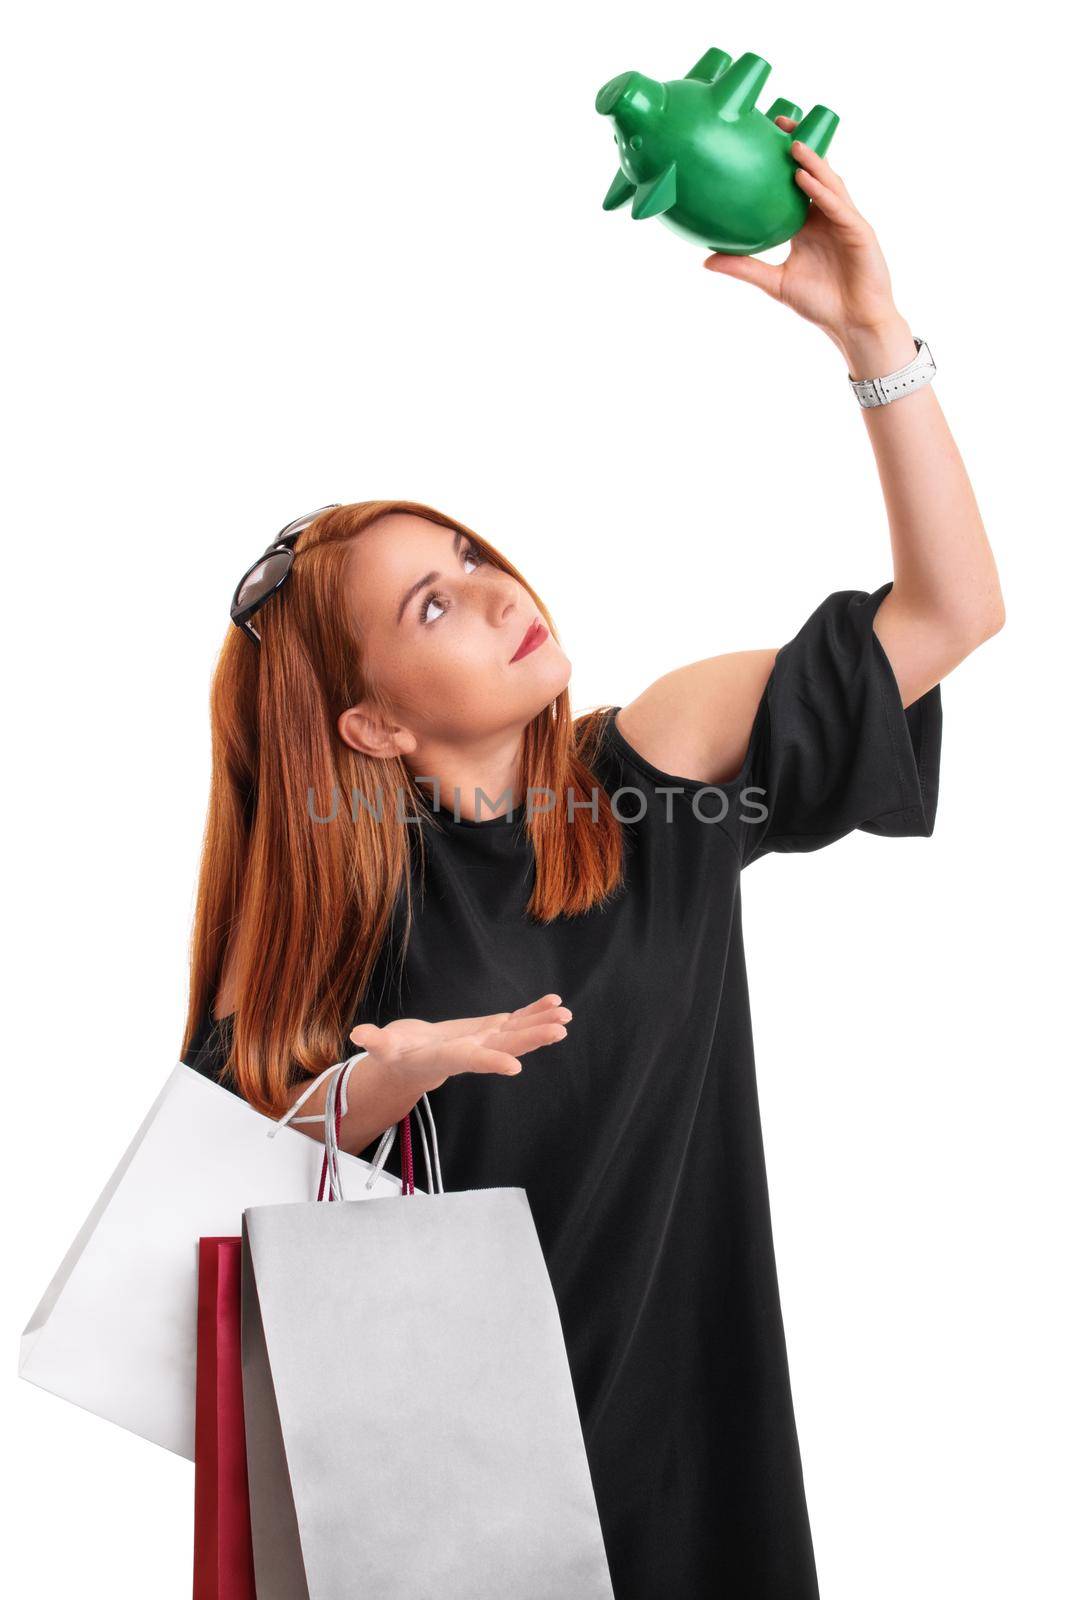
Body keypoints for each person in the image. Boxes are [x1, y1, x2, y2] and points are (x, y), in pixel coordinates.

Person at [181, 126, 1004, 1599]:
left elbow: (949, 616)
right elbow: (236, 1171)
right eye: (432, 606)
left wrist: (873, 333)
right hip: (442, 1513)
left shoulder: (656, 773)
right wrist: (400, 1071)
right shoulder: (334, 899)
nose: (497, 593)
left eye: (475, 556)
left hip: (693, 1480)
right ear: (367, 722)